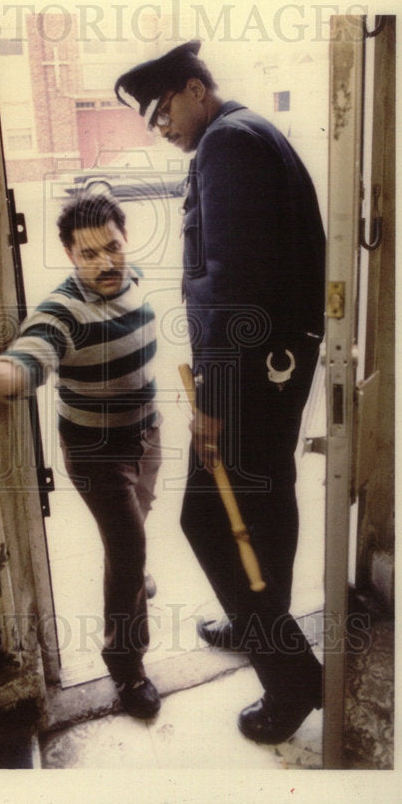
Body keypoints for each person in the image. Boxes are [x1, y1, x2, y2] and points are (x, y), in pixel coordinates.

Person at [114, 40, 326, 743]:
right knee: (267, 507)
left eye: (164, 109)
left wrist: (210, 402)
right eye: (151, 119)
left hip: (246, 375)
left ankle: (291, 680)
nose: (162, 127)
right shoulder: (246, 133)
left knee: (206, 522)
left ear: (195, 88)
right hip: (271, 367)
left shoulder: (227, 146)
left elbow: (231, 288)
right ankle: (255, 620)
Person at [0, 193, 162, 719]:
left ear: (125, 241)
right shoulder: (61, 311)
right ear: (71, 256)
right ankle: (128, 669)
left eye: (112, 247)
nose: (104, 262)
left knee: (140, 523)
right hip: (98, 458)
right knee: (127, 550)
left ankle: (135, 577)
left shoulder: (132, 277)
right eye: (88, 253)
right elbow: (32, 355)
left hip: (147, 437)